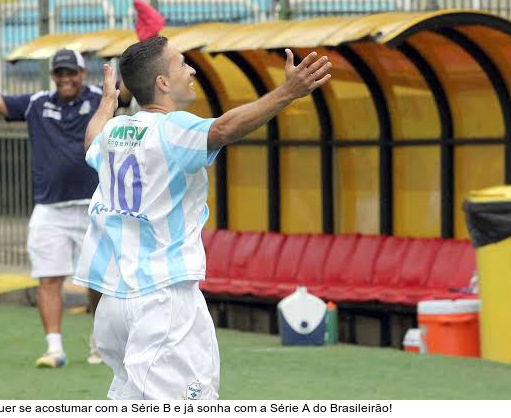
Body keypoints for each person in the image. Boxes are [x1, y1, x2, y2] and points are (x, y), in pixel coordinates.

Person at [74, 37, 332, 399]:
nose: (191, 69)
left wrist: (105, 105)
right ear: (162, 83)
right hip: (162, 297)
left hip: (114, 303)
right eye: (181, 63)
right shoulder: (173, 128)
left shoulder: (115, 130)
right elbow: (224, 129)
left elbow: (91, 142)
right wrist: (288, 91)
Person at [0, 47, 130, 367]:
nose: (66, 78)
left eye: (72, 72)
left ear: (83, 74)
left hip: (94, 205)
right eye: (60, 73)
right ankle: (54, 347)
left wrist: (145, 42)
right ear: (53, 75)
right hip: (49, 209)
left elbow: (134, 85)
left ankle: (100, 340)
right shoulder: (36, 103)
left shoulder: (102, 95)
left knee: (100, 279)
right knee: (48, 278)